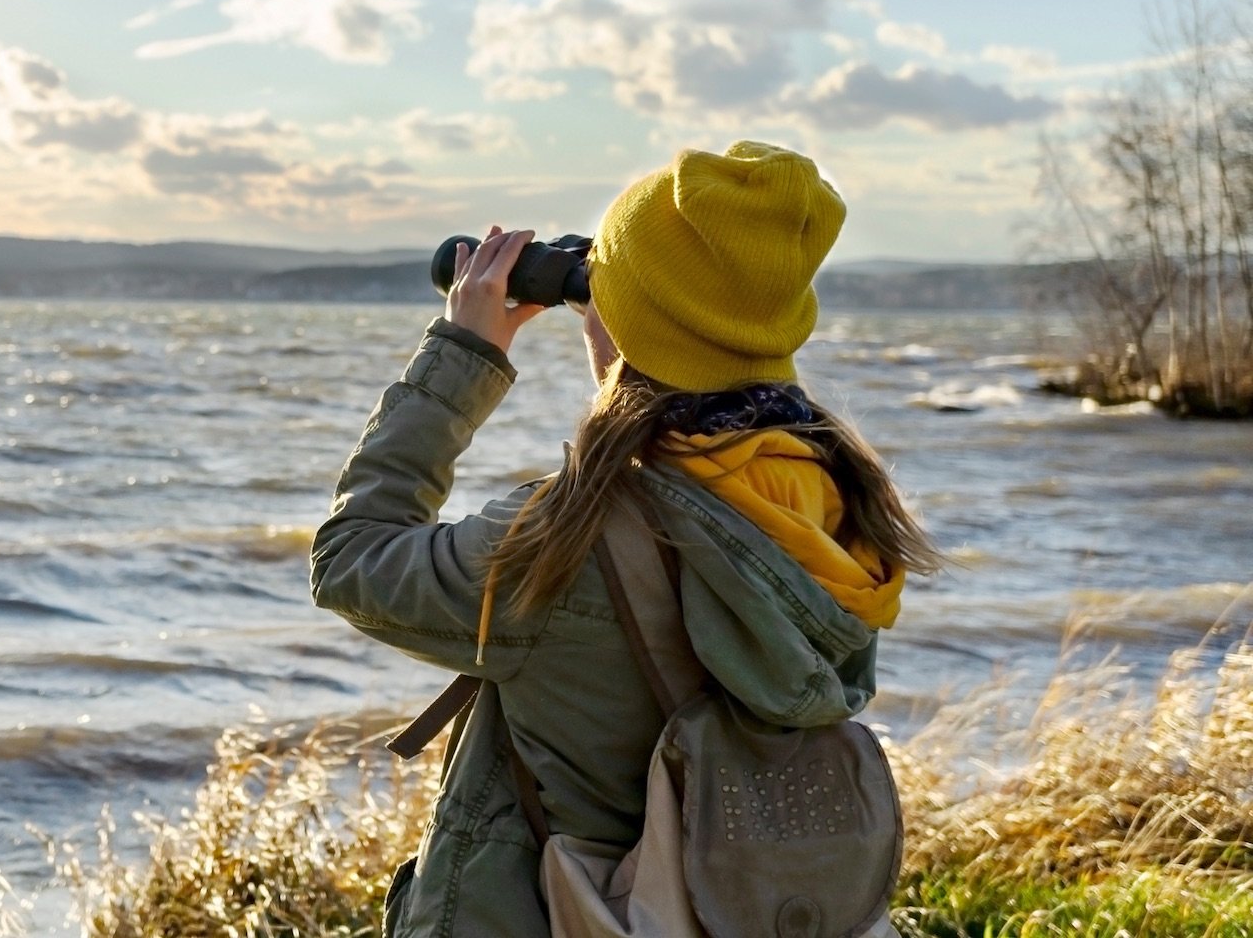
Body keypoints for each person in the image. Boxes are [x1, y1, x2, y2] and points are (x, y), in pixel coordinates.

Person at [309, 141, 943, 937]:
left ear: (629, 317)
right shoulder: (837, 503)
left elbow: (350, 559)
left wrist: (462, 356)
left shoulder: (567, 539)